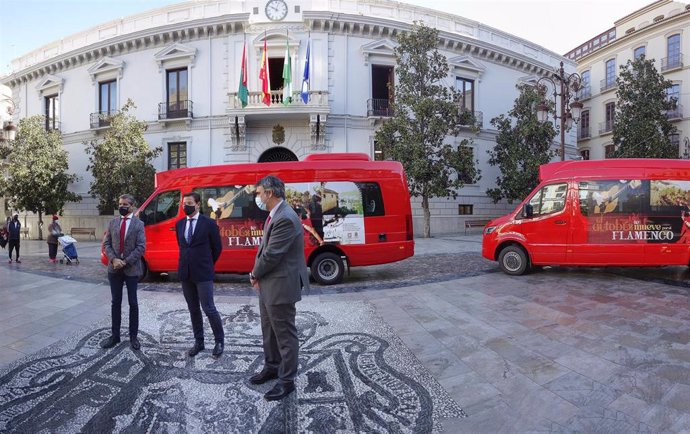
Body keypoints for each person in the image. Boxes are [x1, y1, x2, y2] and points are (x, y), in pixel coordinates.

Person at [249, 175, 310, 401]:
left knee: (284, 335)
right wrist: (258, 275)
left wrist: (255, 273)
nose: (258, 197)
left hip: (281, 285)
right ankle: (272, 367)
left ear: (270, 193)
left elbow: (272, 254)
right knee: (269, 330)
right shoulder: (275, 214)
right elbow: (265, 250)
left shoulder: (285, 217)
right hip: (269, 284)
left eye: (259, 193)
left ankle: (287, 381)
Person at [176, 192, 224, 358]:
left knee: (209, 308)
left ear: (197, 204)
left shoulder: (209, 224)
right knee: (193, 309)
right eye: (183, 203)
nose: (185, 206)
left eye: (189, 203)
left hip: (203, 273)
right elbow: (183, 247)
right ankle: (199, 341)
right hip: (185, 273)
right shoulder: (180, 224)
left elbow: (217, 248)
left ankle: (219, 341)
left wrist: (207, 264)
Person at [101, 194, 146, 350]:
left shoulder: (139, 224)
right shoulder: (113, 223)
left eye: (125, 204)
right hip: (114, 269)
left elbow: (141, 247)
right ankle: (115, 336)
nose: (122, 206)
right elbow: (107, 244)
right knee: (115, 303)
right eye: (120, 203)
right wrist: (113, 260)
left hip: (131, 269)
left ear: (132, 206)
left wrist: (125, 262)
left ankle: (133, 337)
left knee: (133, 303)